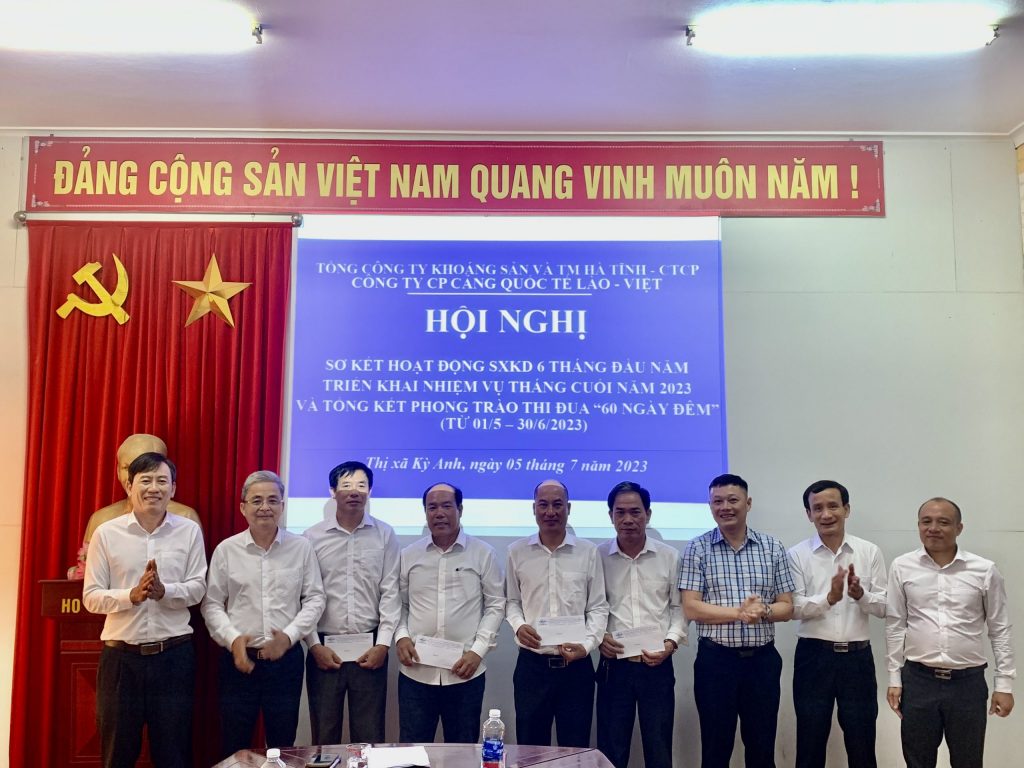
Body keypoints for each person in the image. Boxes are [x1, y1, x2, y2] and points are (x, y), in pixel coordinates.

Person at [83, 452, 207, 768]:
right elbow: (91, 597)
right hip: (121, 660)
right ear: (129, 486)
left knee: (174, 754)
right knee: (117, 754)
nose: (154, 488)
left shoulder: (189, 530)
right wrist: (131, 595)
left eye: (162, 481)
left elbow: (198, 588)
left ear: (173, 488)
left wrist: (165, 592)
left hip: (173, 658)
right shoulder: (106, 533)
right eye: (146, 480)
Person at [201, 470, 325, 760]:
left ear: (282, 506)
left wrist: (289, 637)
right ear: (243, 507)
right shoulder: (227, 550)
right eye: (256, 500)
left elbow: (315, 598)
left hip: (285, 662)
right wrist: (233, 639)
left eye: (272, 500)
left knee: (282, 745)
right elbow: (212, 604)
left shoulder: (301, 547)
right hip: (238, 662)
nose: (265, 507)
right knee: (235, 745)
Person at [886, 497, 1016, 768]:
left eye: (943, 522)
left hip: (967, 684)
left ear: (959, 528)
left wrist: (1004, 685)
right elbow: (896, 624)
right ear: (918, 525)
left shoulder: (984, 570)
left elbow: (999, 629)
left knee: (968, 761)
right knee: (917, 761)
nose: (933, 528)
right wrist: (894, 678)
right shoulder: (901, 566)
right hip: (918, 681)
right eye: (926, 521)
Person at [678, 473, 795, 768]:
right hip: (716, 662)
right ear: (710, 506)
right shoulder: (697, 548)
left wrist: (763, 610)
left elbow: (787, 607)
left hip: (762, 662)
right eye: (717, 501)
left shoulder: (772, 547)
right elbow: (691, 608)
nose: (725, 507)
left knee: (762, 748)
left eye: (732, 500)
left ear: (748, 503)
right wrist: (738, 614)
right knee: (715, 749)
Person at [395, 482, 505, 743]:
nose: (439, 513)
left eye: (446, 506)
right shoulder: (408, 555)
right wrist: (401, 637)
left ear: (460, 510)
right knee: (412, 749)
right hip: (416, 672)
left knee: (462, 751)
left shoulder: (483, 553)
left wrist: (478, 651)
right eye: (432, 507)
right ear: (425, 512)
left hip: (465, 672)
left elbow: (495, 604)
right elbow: (399, 604)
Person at [788, 480, 886, 768]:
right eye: (817, 508)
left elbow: (885, 607)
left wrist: (860, 595)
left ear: (847, 509)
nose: (826, 514)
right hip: (813, 657)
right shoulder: (796, 554)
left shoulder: (869, 552)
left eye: (833, 506)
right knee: (810, 741)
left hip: (857, 659)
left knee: (862, 741)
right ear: (808, 514)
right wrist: (828, 598)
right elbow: (792, 608)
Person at [303, 460, 401, 744]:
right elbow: (305, 595)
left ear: (369, 491)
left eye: (361, 485)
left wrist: (383, 645)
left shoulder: (385, 534)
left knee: (369, 736)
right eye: (346, 485)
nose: (354, 491)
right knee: (324, 735)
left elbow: (390, 591)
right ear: (332, 491)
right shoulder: (311, 537)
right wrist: (314, 646)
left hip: (370, 648)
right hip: (324, 648)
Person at [506, 479, 608, 747]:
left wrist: (587, 646)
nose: (550, 512)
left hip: (576, 668)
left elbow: (598, 606)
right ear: (534, 509)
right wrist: (518, 625)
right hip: (532, 667)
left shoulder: (588, 552)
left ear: (568, 508)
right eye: (543, 505)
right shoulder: (516, 552)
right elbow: (512, 601)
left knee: (574, 749)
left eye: (557, 505)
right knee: (530, 749)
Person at [596, 481, 685, 768]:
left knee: (658, 748)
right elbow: (589, 608)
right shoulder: (597, 557)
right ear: (610, 516)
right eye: (620, 512)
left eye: (635, 512)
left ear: (648, 514)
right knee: (611, 749)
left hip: (657, 665)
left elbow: (678, 608)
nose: (628, 519)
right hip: (614, 665)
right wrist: (599, 636)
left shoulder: (669, 557)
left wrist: (671, 643)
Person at [71, 433, 201, 579]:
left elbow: (197, 580)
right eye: (127, 468)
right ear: (118, 471)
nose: (133, 476)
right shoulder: (102, 520)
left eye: (144, 467)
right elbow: (90, 580)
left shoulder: (186, 519)